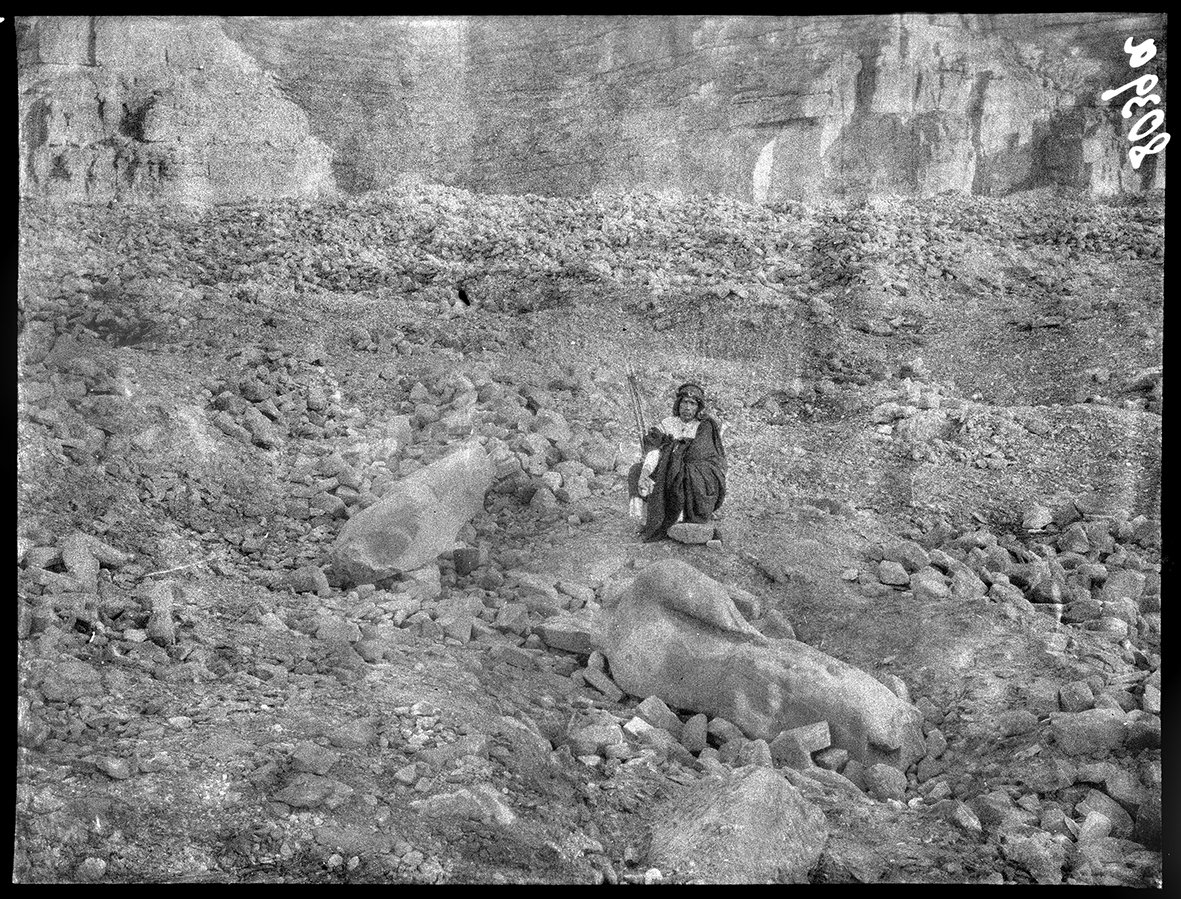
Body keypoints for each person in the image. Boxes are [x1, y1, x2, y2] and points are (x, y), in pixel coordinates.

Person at [629, 383, 727, 542]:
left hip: (688, 474)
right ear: (678, 404)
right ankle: (645, 520)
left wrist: (675, 455)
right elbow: (655, 450)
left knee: (683, 475)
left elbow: (703, 457)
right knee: (636, 470)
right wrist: (645, 472)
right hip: (664, 469)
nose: (687, 407)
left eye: (692, 403)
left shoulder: (702, 427)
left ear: (698, 407)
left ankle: (679, 519)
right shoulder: (667, 424)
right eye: (684, 402)